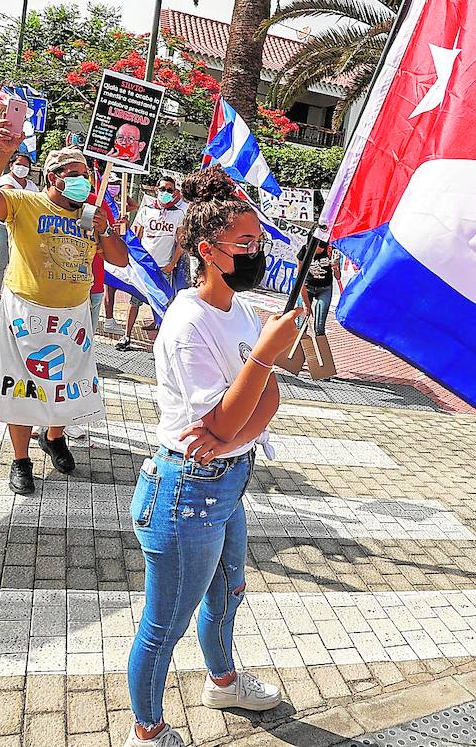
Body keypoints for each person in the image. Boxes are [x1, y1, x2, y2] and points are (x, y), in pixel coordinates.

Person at [124, 168, 304, 747]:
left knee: (228, 592)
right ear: (207, 251)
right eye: (244, 245)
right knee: (164, 623)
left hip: (227, 477)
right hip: (186, 489)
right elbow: (231, 409)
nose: (257, 254)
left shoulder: (243, 312)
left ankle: (223, 681)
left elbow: (264, 399)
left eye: (259, 243)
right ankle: (147, 732)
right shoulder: (186, 321)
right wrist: (259, 372)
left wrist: (230, 435)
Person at [0, 127, 128, 495]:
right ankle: (20, 459)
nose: (81, 181)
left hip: (74, 314)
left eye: (84, 174)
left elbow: (119, 258)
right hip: (26, 310)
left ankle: (54, 437)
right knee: (21, 388)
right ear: (53, 177)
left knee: (66, 385)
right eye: (73, 174)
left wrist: (104, 232)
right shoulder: (25, 202)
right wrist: (2, 153)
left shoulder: (93, 214)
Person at [122, 175, 186, 341]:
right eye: (162, 189)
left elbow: (181, 242)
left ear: (175, 193)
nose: (165, 192)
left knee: (162, 304)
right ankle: (127, 336)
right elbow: (136, 236)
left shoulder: (178, 215)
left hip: (163, 268)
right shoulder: (146, 211)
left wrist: (172, 264)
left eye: (169, 190)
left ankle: (161, 340)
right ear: (157, 190)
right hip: (144, 267)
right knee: (134, 301)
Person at [0, 152, 39, 307]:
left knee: (18, 262)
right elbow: (10, 196)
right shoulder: (6, 180)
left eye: (25, 165)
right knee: (1, 261)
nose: (21, 168)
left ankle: (12, 294)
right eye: (18, 164)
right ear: (11, 165)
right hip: (4, 226)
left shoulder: (31, 185)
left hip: (24, 228)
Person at [298, 240, 339, 337]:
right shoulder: (305, 250)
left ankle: (321, 348)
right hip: (307, 287)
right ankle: (300, 349)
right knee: (302, 324)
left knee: (319, 327)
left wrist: (336, 267)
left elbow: (338, 277)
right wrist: (306, 303)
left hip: (325, 288)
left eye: (321, 249)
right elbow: (300, 279)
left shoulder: (331, 251)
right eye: (317, 248)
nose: (319, 251)